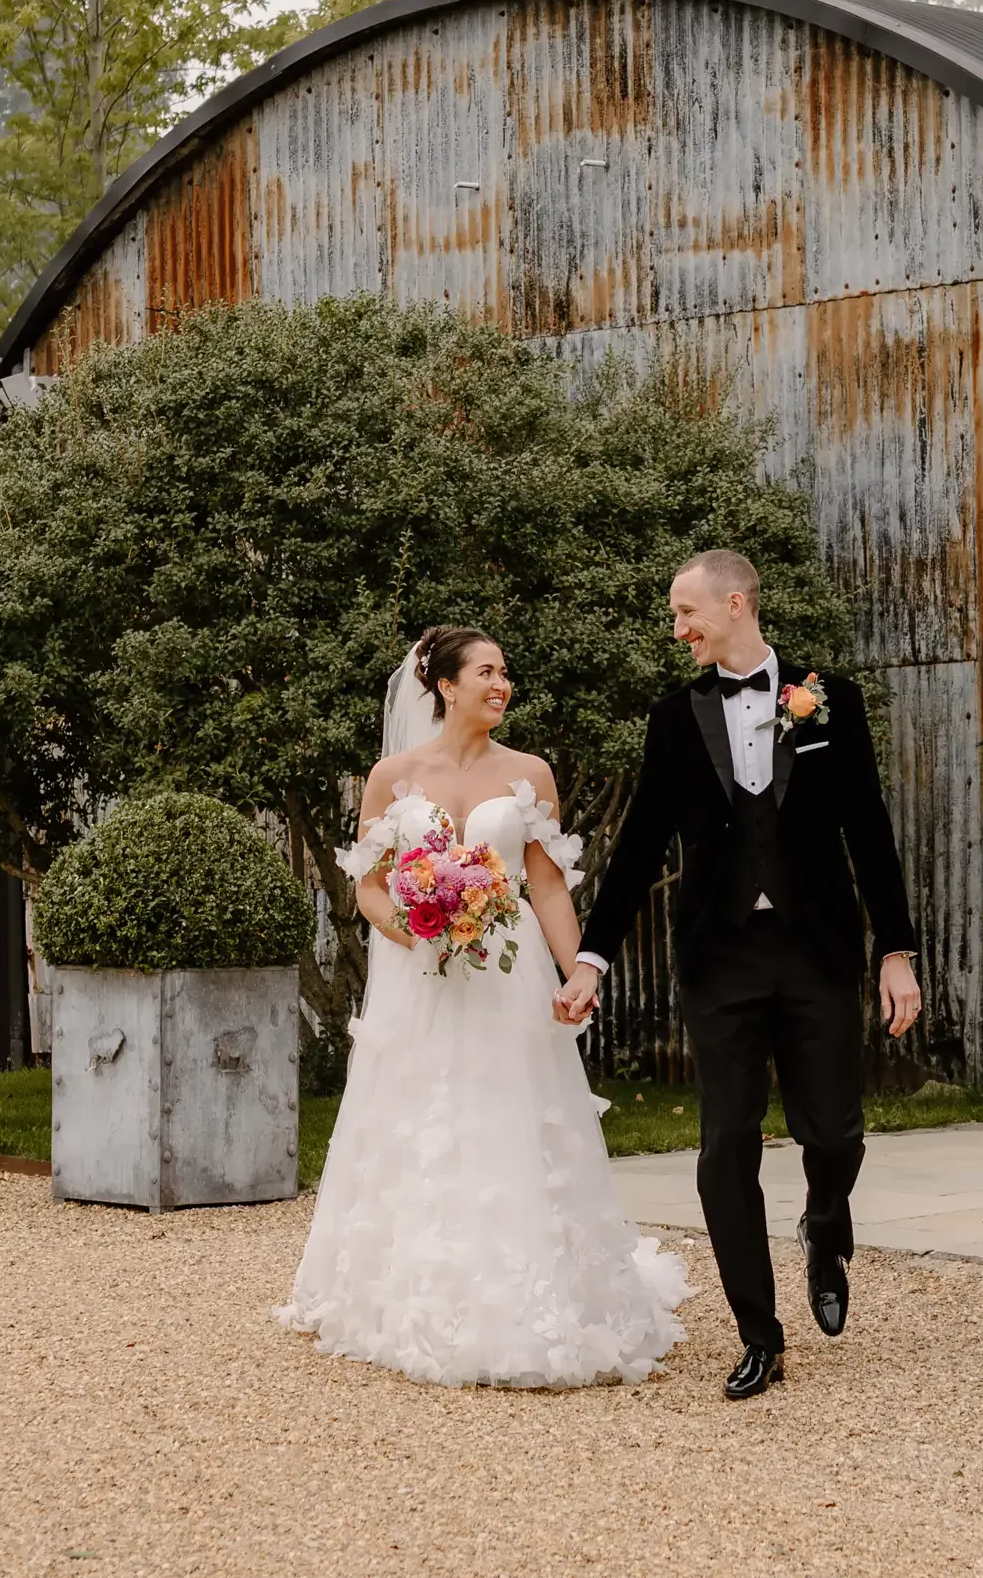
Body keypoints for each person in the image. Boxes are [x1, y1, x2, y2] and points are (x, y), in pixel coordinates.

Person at [279, 625, 689, 1388]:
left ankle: (531, 1295)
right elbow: (367, 885)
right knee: (423, 1121)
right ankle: (413, 1294)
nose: (502, 685)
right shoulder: (392, 775)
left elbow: (545, 885)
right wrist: (414, 928)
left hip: (509, 973)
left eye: (506, 674)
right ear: (444, 685)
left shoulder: (529, 772)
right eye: (488, 672)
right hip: (421, 975)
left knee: (512, 1118)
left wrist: (579, 974)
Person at [555, 550, 921, 1401]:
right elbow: (642, 840)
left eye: (685, 612)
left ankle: (825, 1229)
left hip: (817, 951)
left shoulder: (831, 699)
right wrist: (592, 954)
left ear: (733, 602)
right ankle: (760, 1333)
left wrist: (893, 952)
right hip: (719, 959)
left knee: (834, 1134)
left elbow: (868, 829)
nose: (676, 629)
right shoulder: (673, 717)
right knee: (725, 1144)